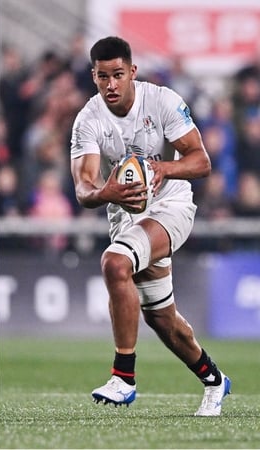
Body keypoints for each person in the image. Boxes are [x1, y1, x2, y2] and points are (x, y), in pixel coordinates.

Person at [69, 36, 230, 416]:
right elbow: (83, 187)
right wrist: (105, 192)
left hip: (171, 204)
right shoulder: (88, 119)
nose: (111, 85)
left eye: (118, 75)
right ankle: (214, 379)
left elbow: (202, 161)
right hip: (125, 211)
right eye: (103, 76)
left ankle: (123, 377)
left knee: (115, 263)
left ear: (132, 73)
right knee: (161, 317)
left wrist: (163, 168)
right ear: (93, 76)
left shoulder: (162, 101)